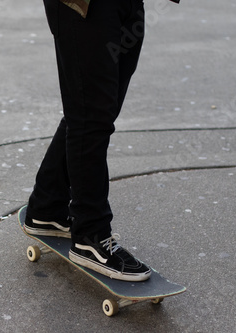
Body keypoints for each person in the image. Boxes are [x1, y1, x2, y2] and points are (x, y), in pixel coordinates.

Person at [25, 0, 152, 282]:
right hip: (86, 6)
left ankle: (47, 205)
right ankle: (90, 237)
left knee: (95, 110)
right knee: (90, 115)